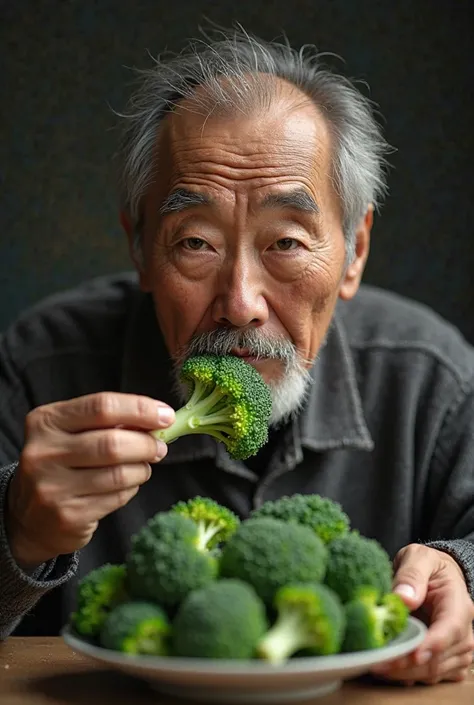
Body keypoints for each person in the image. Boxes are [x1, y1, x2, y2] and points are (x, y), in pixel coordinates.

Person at [0, 27, 473, 685]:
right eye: (196, 242)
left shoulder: (432, 377)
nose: (241, 301)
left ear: (355, 250)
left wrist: (462, 570)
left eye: (285, 241)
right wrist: (16, 527)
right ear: (139, 247)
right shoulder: (38, 366)